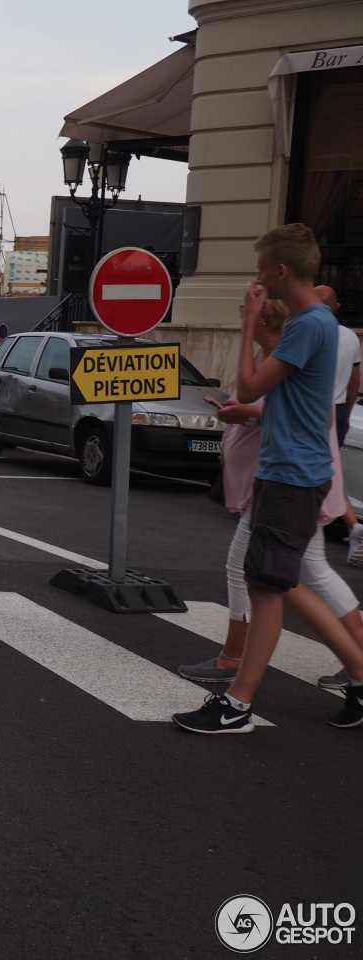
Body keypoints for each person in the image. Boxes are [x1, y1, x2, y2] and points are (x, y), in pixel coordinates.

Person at [173, 223, 363, 733]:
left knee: (268, 584)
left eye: (261, 270)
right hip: (293, 473)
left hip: (291, 476)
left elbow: (250, 384)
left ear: (281, 272)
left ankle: (238, 705)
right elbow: (287, 401)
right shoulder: (319, 324)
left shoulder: (306, 325)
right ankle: (358, 676)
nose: (257, 280)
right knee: (278, 582)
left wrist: (250, 322)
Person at [314, 285, 363, 564]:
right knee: (329, 471)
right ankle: (352, 525)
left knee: (319, 473)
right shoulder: (350, 337)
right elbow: (354, 382)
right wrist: (344, 412)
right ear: (337, 307)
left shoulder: (305, 329)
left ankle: (343, 526)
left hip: (310, 409)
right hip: (337, 408)